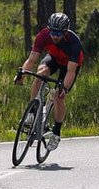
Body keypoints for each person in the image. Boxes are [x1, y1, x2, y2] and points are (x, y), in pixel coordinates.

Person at [15, 12, 83, 151]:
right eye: (52, 32)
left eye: (58, 33)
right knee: (40, 75)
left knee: (58, 96)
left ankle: (56, 132)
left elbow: (70, 71)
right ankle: (32, 113)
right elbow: (32, 60)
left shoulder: (74, 42)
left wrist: (64, 88)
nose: (55, 36)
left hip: (69, 66)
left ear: (65, 32)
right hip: (54, 58)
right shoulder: (43, 35)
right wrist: (22, 74)